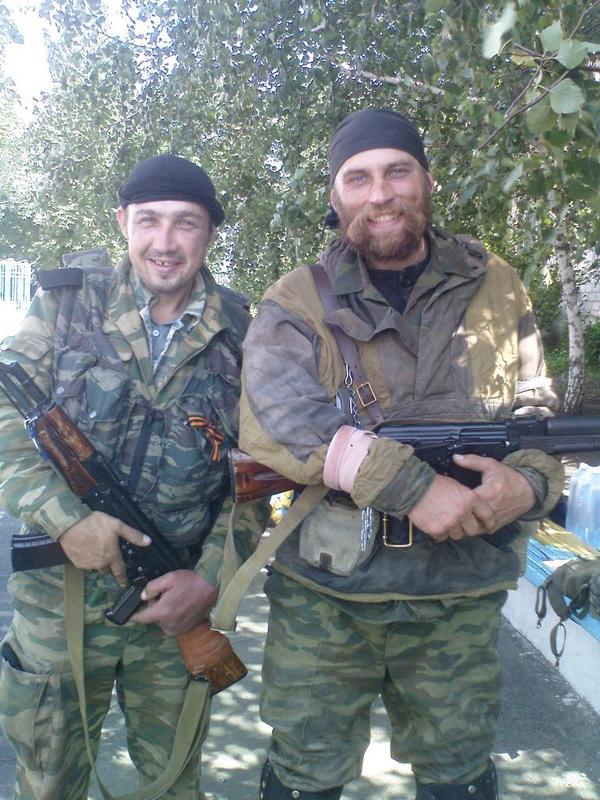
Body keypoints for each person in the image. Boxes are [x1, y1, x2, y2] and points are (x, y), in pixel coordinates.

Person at [239, 109, 565, 800]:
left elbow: (534, 413)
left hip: (459, 594)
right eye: (358, 178)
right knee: (303, 777)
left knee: (459, 778)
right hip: (327, 598)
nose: (380, 194)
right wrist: (411, 487)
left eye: (397, 172)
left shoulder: (495, 283)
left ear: (427, 181)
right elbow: (276, 417)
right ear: (336, 197)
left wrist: (528, 485)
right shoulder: (297, 299)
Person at [0, 154, 266, 799]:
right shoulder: (65, 303)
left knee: (173, 785)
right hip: (60, 607)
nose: (165, 243)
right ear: (123, 222)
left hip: (174, 605)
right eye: (148, 220)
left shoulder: (242, 334)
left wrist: (208, 580)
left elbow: (257, 480)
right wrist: (67, 521)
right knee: (50, 782)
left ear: (211, 232)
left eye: (186, 223)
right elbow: (6, 423)